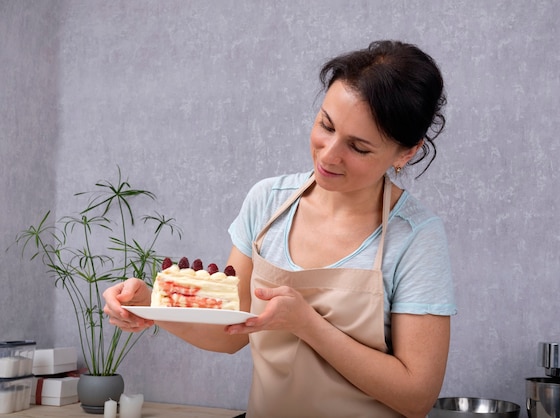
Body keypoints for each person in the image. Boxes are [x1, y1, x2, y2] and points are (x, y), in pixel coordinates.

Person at [103, 40, 457, 418]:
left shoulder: (416, 237)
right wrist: (152, 307)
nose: (328, 154)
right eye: (326, 125)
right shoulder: (267, 203)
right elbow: (229, 332)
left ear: (406, 153)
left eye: (359, 147)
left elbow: (417, 396)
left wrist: (308, 325)